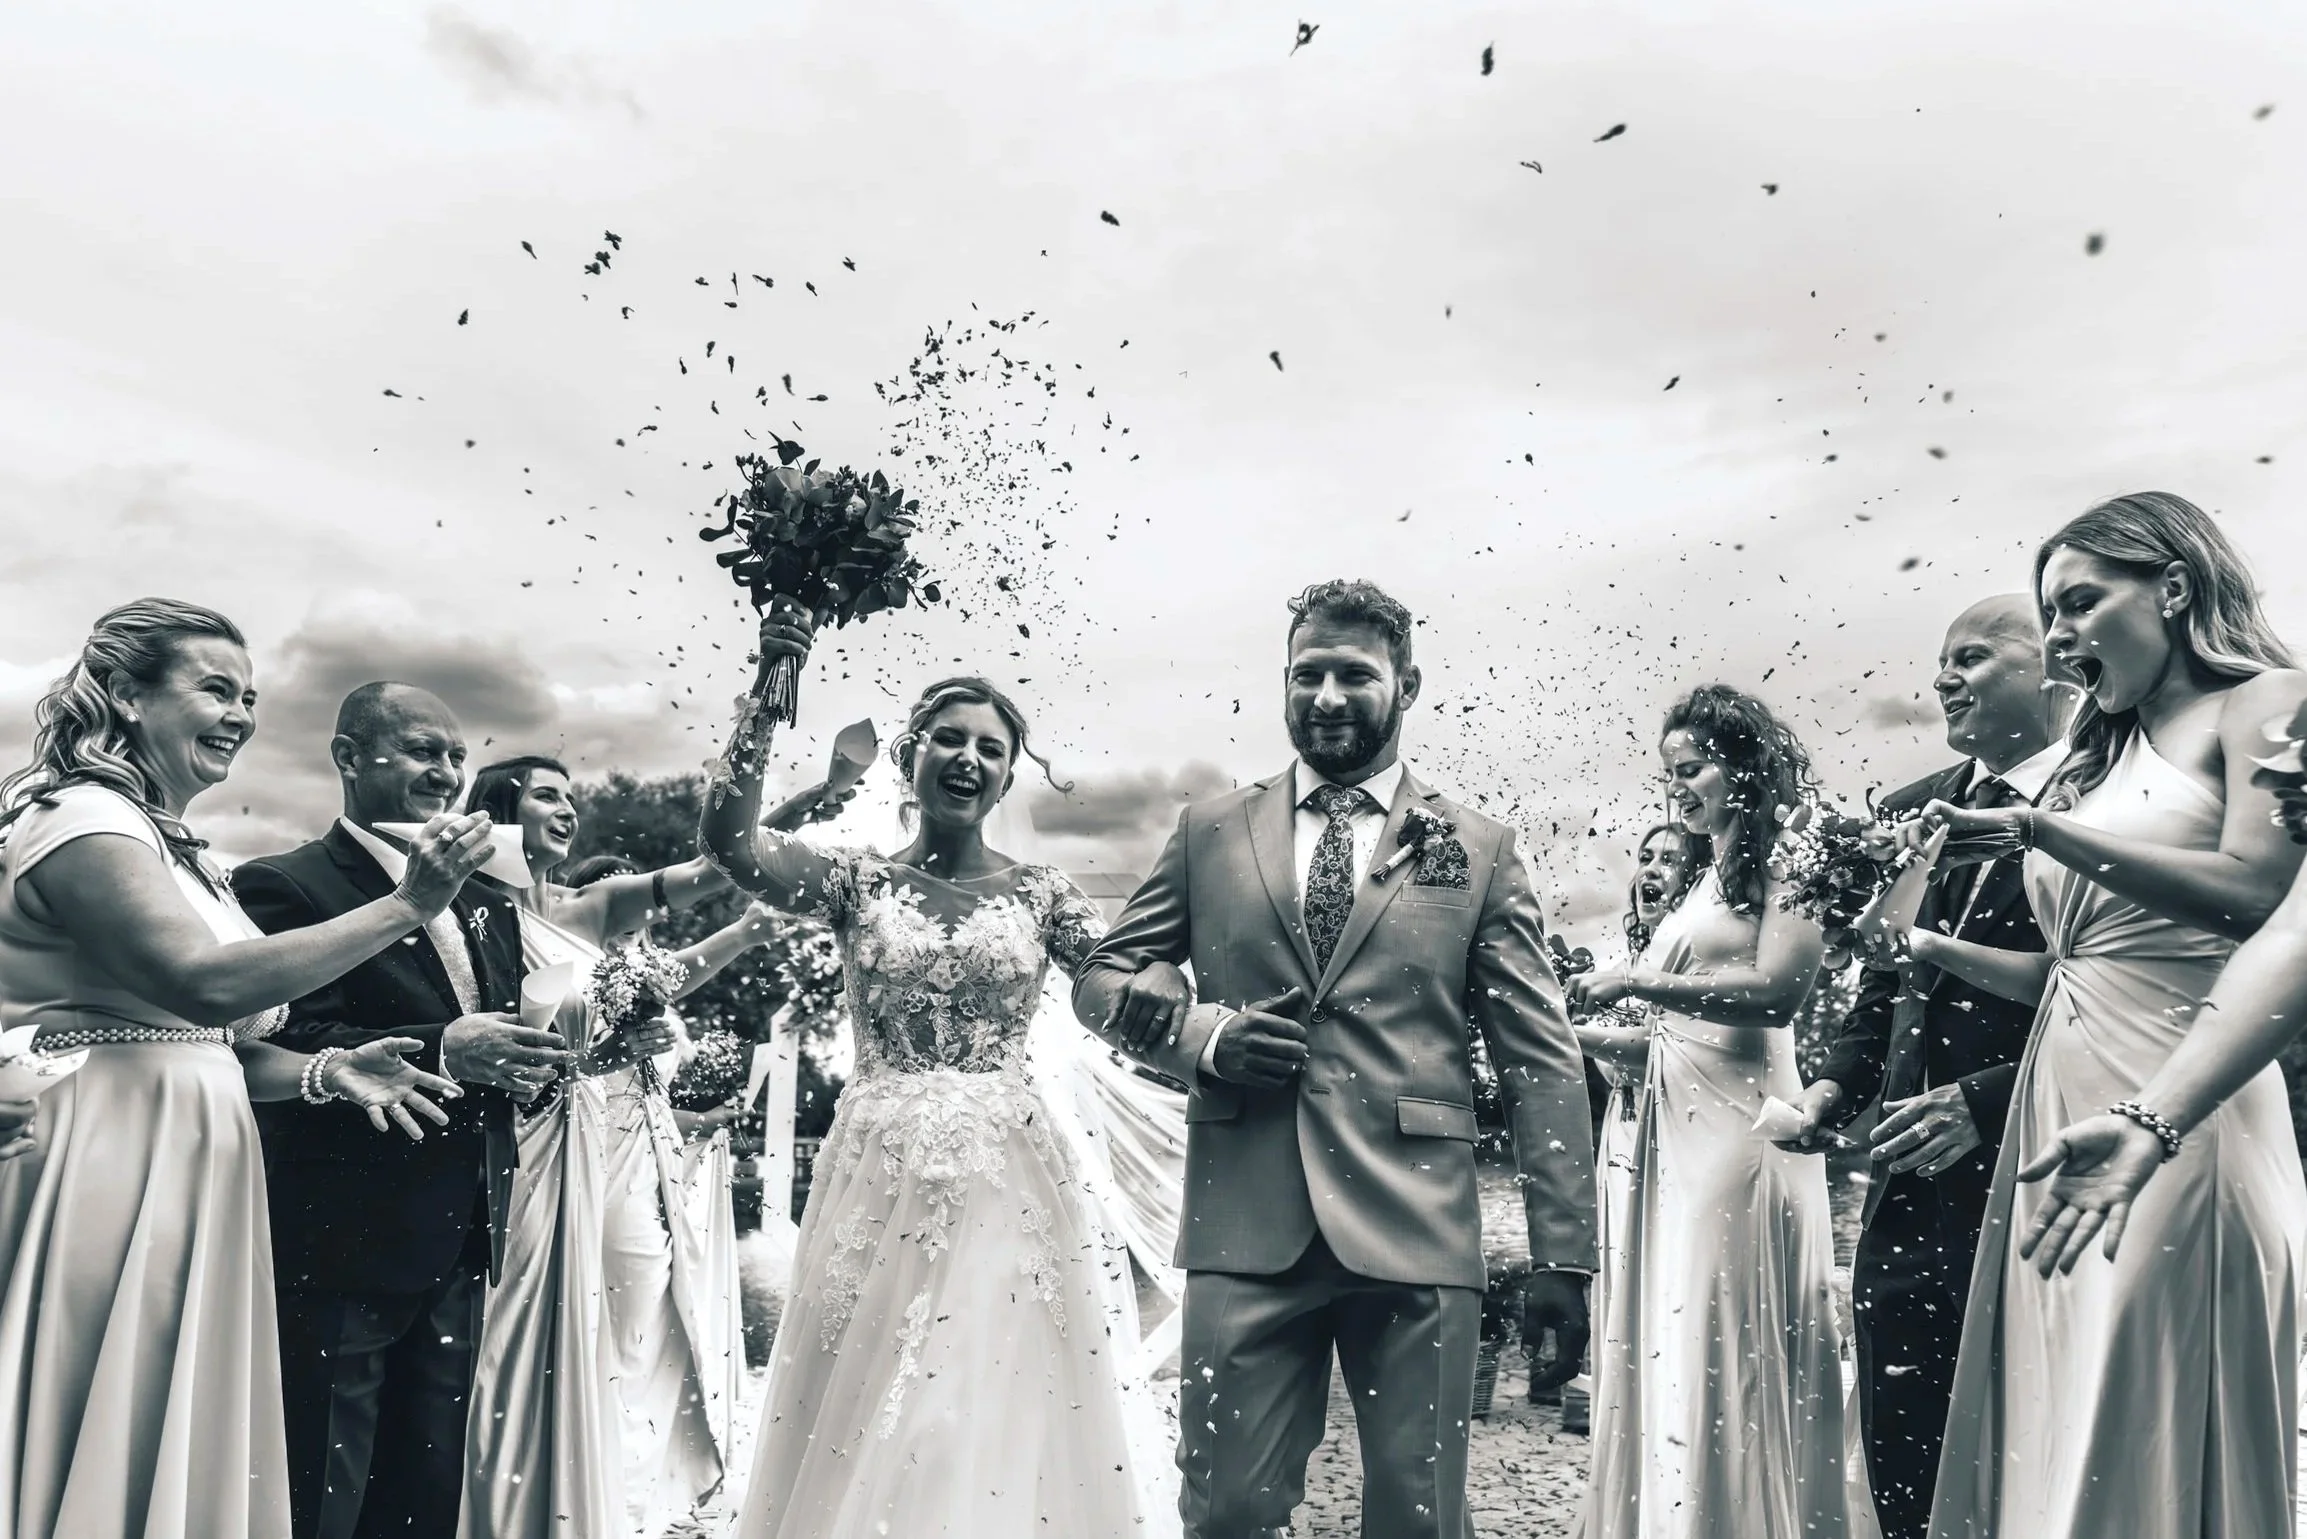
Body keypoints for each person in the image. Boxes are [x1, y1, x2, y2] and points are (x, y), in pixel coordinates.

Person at [1074, 578, 1598, 1539]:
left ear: (1407, 685)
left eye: (1353, 675)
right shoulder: (1208, 830)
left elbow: (1540, 1061)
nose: (1325, 695)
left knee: (1417, 1517)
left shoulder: (1477, 849)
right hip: (1242, 1221)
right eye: (1304, 673)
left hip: (1418, 1226)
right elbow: (1101, 978)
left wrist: (1563, 1252)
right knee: (1224, 1508)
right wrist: (1205, 1036)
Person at [0, 603, 485, 1539]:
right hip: (106, 1162)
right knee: (102, 1408)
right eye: (215, 688)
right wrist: (406, 904)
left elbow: (210, 1042)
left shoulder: (182, 851)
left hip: (192, 1167)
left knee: (167, 1424)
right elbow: (201, 984)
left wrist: (326, 1069)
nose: (241, 714)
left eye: (250, 695)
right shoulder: (83, 819)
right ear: (130, 696)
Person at [704, 598, 1181, 1538]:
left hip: (1009, 1171)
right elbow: (730, 842)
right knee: (871, 1385)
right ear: (910, 757)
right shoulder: (852, 881)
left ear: (1006, 778)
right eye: (948, 740)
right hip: (875, 1169)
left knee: (979, 1385)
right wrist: (770, 688)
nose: (968, 758)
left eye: (990, 748)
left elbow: (1117, 984)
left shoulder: (1044, 893)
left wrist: (1166, 976)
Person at [1916, 494, 2307, 1539]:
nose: (2060, 636)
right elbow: (2069, 971)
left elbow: (2257, 896)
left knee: (2143, 1410)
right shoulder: (2100, 758)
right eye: (2051, 615)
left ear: (2174, 588)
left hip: (2190, 1112)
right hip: (2064, 1117)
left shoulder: (2270, 703)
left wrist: (2040, 832)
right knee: (2059, 1416)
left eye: (2082, 602)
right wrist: (1931, 947)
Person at [455, 754, 836, 1539]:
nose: (566, 811)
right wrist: (589, 1061)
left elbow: (710, 868)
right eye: (545, 796)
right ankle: (516, 1504)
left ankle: (618, 1498)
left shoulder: (588, 905)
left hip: (614, 1148)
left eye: (571, 798)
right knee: (522, 1330)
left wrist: (808, 801)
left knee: (638, 1320)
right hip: (525, 1148)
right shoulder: (462, 918)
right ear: (498, 810)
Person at [232, 683, 574, 1539]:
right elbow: (285, 1034)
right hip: (343, 1236)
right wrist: (442, 1045)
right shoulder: (285, 885)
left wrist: (537, 1059)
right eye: (423, 750)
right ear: (349, 756)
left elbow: (496, 1037)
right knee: (321, 1489)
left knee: (424, 1492)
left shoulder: (491, 900)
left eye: (456, 755)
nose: (446, 771)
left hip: (462, 1236)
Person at [1779, 594, 2069, 1539]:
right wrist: (1832, 1085)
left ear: (2055, 667)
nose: (1942, 675)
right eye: (1940, 657)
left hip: (2045, 1171)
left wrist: (1988, 1100)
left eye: (1973, 655)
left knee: (2033, 1431)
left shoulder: (2101, 802)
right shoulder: (1912, 811)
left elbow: (2117, 986)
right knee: (1905, 1425)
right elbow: (1881, 978)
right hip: (1906, 1172)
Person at [1565, 683, 1850, 1539]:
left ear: (1743, 766)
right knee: (1668, 1335)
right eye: (1666, 774)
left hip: (1743, 1135)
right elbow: (1671, 1037)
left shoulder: (1791, 860)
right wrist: (1559, 1028)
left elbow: (1776, 992)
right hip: (1671, 1128)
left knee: (1720, 1334)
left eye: (1689, 769)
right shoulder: (1704, 878)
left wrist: (1635, 978)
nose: (1675, 788)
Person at [1574, 822, 1707, 1343]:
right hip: (1624, 1136)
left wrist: (1564, 1033)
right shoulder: (1622, 966)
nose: (1650, 870)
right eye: (1644, 857)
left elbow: (1669, 1049)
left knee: (1673, 1278)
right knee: (1625, 1277)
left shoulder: (1698, 964)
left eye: (1669, 861)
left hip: (1682, 1132)